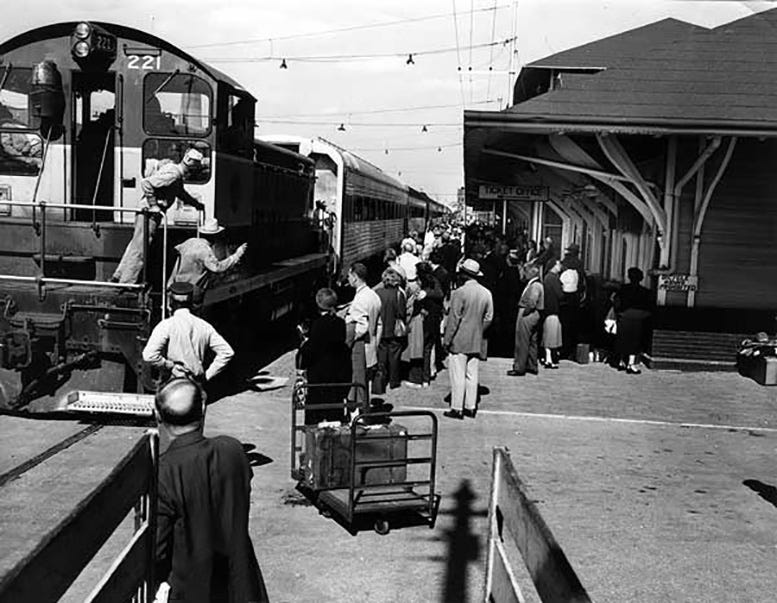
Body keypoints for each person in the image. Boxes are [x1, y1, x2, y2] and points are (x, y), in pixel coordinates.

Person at [154, 378, 269, 603]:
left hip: (190, 591)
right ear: (204, 408)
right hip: (241, 587)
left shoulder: (164, 472)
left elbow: (158, 551)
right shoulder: (233, 450)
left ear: (158, 416)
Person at [112, 147, 206, 284]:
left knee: (136, 245)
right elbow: (147, 183)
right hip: (149, 214)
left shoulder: (176, 174)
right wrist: (154, 205)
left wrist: (196, 204)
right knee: (141, 249)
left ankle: (118, 275)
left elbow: (180, 193)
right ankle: (127, 282)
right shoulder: (173, 175)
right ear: (190, 163)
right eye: (196, 165)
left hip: (147, 213)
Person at [142, 281, 234, 386]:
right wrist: (207, 375)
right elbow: (227, 352)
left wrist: (169, 365)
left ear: (171, 303)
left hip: (174, 383)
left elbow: (149, 355)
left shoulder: (167, 325)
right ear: (191, 303)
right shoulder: (204, 326)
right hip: (196, 384)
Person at [442, 259, 493, 420]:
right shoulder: (486, 293)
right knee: (472, 374)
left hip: (459, 339)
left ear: (464, 275)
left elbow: (453, 320)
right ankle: (470, 406)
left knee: (458, 375)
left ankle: (457, 407)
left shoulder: (459, 293)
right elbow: (489, 317)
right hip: (476, 339)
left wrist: (446, 339)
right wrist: (479, 330)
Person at [297, 288, 351, 424]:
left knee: (315, 417)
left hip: (319, 377)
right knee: (335, 415)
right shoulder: (340, 322)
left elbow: (312, 349)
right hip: (337, 375)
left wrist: (304, 342)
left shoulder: (318, 324)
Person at [167, 217, 247, 305]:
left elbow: (177, 260)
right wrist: (236, 256)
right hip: (191, 291)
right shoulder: (205, 250)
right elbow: (217, 268)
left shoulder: (189, 242)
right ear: (215, 236)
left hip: (177, 287)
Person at [345, 262, 381, 407]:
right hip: (371, 346)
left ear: (355, 277)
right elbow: (379, 325)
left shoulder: (360, 300)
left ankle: (358, 416)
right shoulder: (373, 295)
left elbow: (361, 327)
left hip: (360, 348)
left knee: (357, 384)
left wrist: (348, 340)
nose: (348, 279)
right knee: (364, 384)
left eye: (349, 276)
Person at [372, 267, 407, 394]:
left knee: (381, 357)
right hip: (394, 330)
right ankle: (394, 381)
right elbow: (402, 313)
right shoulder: (399, 294)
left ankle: (380, 381)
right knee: (394, 356)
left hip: (381, 329)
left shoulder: (378, 293)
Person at [613, 267, 653, 374]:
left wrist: (618, 313)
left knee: (623, 340)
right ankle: (631, 364)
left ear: (629, 277)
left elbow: (616, 302)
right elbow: (649, 307)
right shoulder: (645, 292)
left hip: (624, 316)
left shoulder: (622, 289)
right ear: (641, 278)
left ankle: (621, 362)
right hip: (639, 318)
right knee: (635, 342)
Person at [508, 264, 544, 377]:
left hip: (528, 313)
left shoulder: (535, 285)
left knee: (522, 341)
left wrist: (526, 311)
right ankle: (531, 365)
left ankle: (519, 367)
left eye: (526, 271)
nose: (524, 273)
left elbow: (532, 301)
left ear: (533, 272)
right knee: (532, 340)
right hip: (533, 313)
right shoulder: (534, 284)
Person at [416, 262, 444, 387]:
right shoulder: (434, 282)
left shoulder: (423, 287)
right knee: (429, 347)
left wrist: (424, 295)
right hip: (434, 319)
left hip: (425, 320)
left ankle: (424, 376)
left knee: (425, 348)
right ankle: (430, 372)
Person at [558, 242, 587, 359]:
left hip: (565, 296)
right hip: (575, 296)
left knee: (564, 323)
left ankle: (563, 348)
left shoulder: (565, 261)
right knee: (573, 323)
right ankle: (571, 349)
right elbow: (581, 280)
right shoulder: (579, 263)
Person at [541, 260, 564, 369]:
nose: (560, 266)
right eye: (559, 264)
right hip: (552, 310)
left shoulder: (547, 278)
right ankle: (549, 359)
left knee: (549, 334)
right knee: (552, 335)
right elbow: (560, 294)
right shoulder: (553, 278)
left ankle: (548, 358)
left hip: (548, 310)